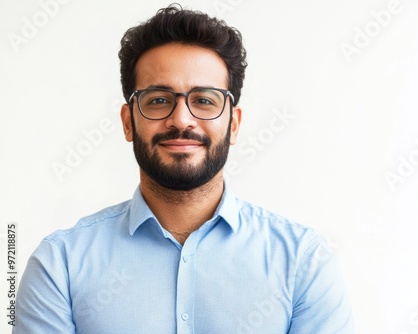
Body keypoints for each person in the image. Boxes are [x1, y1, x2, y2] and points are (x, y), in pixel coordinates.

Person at [14, 4, 354, 333]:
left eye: (204, 100)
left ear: (233, 124)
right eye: (158, 100)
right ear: (128, 121)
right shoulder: (60, 265)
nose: (181, 119)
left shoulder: (303, 263)